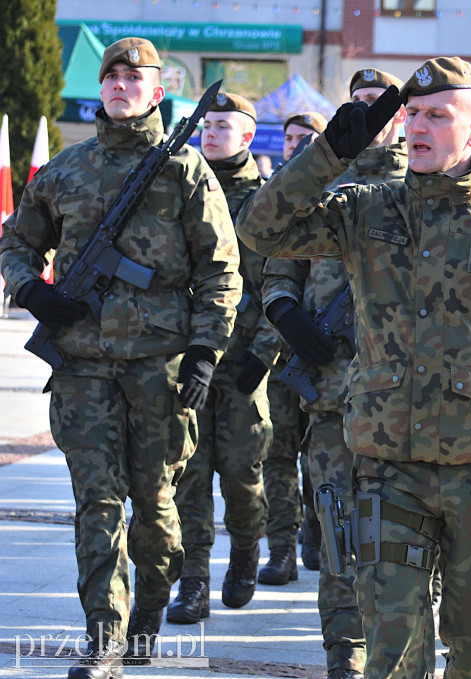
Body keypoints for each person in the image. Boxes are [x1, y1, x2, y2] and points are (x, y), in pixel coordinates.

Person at [237, 56, 471, 679]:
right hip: (386, 470)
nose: (418, 127)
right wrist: (326, 154)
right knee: (392, 655)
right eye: (413, 115)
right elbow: (260, 230)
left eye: (437, 116)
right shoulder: (367, 210)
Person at [0, 37, 242, 677]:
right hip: (82, 366)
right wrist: (30, 289)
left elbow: (221, 270)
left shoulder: (185, 170)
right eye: (111, 76)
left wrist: (203, 352)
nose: (119, 85)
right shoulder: (64, 171)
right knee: (96, 504)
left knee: (155, 509)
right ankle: (104, 635)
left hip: (158, 366)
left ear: (156, 93)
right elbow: (17, 241)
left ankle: (149, 613)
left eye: (134, 78)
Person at [262, 66, 407, 679]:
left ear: (401, 115)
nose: (367, 114)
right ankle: (343, 654)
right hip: (329, 396)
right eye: (356, 105)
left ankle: (401, 650)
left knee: (399, 539)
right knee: (339, 529)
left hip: (407, 404)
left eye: (378, 105)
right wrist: (285, 310)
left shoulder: (422, 188)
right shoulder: (323, 187)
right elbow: (277, 259)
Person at [167, 92, 275, 624]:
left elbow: (286, 282)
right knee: (189, 473)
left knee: (239, 472)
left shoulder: (267, 201)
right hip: (189, 357)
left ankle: (247, 550)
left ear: (248, 136)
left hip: (242, 362)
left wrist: (266, 352)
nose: (210, 133)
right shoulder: (180, 188)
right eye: (206, 125)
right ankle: (194, 582)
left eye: (222, 125)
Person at [259, 111, 328, 580]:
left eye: (306, 139)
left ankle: (319, 533)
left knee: (320, 457)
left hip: (331, 360)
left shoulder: (330, 199)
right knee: (278, 454)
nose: (294, 145)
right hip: (282, 357)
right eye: (288, 139)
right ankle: (280, 547)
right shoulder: (274, 203)